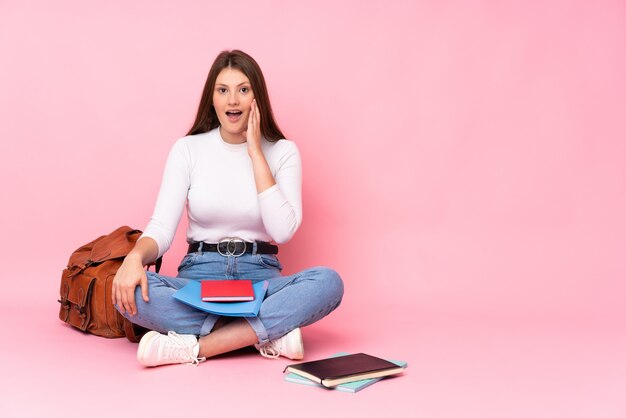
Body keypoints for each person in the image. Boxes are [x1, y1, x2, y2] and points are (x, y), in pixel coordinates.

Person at [112, 49, 344, 367]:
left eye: (243, 90)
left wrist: (255, 153)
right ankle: (265, 333)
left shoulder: (283, 152)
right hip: (199, 276)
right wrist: (134, 259)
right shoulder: (188, 149)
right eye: (223, 90)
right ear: (213, 98)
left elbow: (282, 231)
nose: (233, 101)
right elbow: (162, 228)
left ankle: (198, 347)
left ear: (256, 98)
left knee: (328, 283)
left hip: (260, 277)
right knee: (131, 291)